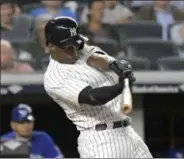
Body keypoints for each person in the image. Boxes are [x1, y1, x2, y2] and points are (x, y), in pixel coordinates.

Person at [43, 16, 152, 158]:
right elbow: (92, 97)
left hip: (128, 132)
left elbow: (96, 55)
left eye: (75, 45)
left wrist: (116, 65)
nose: (73, 50)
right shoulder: (55, 77)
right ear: (51, 45)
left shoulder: (78, 49)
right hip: (102, 141)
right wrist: (121, 86)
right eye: (67, 47)